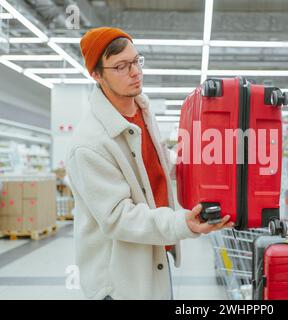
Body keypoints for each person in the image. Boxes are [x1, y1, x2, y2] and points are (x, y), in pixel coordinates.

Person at [66, 27, 233, 300]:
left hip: (153, 255)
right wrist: (184, 224)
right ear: (96, 75)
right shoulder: (88, 145)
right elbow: (119, 217)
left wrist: (203, 168)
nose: (134, 72)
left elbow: (157, 168)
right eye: (121, 66)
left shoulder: (142, 111)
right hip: (120, 281)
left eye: (136, 61)